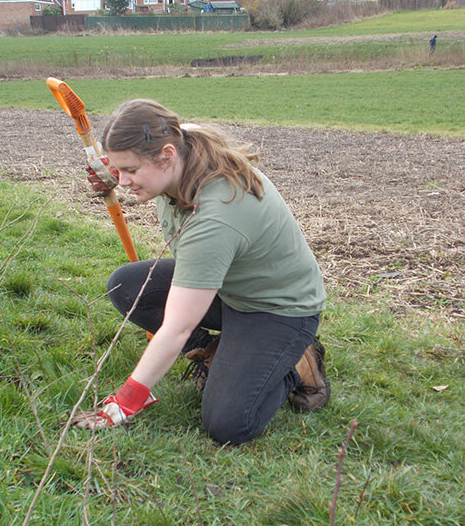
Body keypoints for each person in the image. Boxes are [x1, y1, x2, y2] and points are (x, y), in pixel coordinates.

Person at [73, 99, 330, 444]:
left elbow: (178, 327)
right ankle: (219, 354)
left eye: (130, 170)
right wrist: (114, 174)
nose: (123, 181)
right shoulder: (180, 147)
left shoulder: (214, 216)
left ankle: (294, 362)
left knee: (228, 425)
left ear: (166, 156)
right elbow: (137, 164)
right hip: (227, 289)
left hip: (277, 310)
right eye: (118, 169)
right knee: (127, 286)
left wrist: (125, 402)